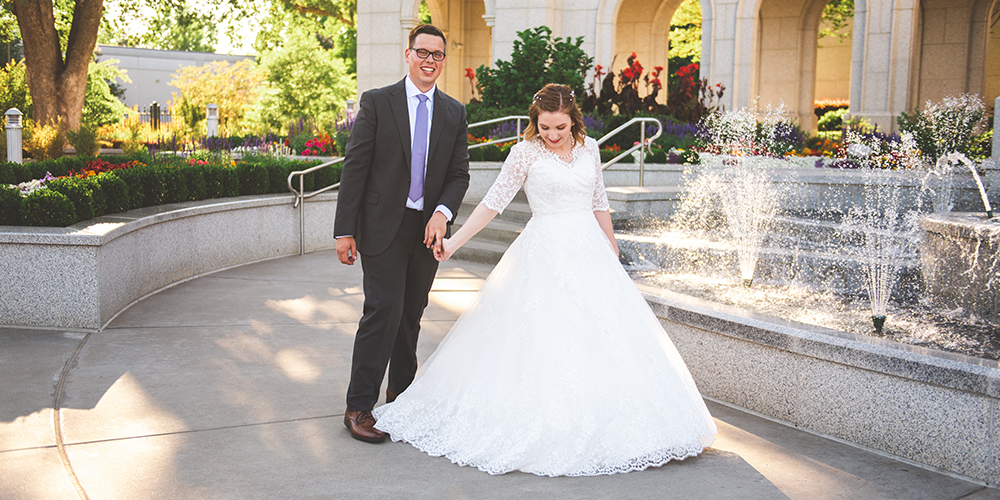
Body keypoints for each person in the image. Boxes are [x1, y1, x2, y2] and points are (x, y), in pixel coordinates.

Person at [372, 84, 717, 476]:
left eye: (561, 128)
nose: (553, 136)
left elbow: (599, 200)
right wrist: (453, 242)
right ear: (535, 123)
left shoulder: (589, 149)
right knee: (544, 336)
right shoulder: (524, 153)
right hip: (543, 250)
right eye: (546, 128)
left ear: (574, 122)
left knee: (606, 335)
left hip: (590, 251)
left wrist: (612, 245)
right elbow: (493, 203)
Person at [334, 24, 470, 443]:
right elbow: (355, 168)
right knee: (383, 311)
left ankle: (401, 397)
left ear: (444, 61)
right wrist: (344, 231)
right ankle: (359, 406)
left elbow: (458, 175)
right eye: (423, 52)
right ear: (407, 55)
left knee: (411, 314)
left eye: (438, 55)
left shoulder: (453, 111)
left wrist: (443, 213)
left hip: (427, 232)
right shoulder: (377, 102)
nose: (430, 60)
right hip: (381, 227)